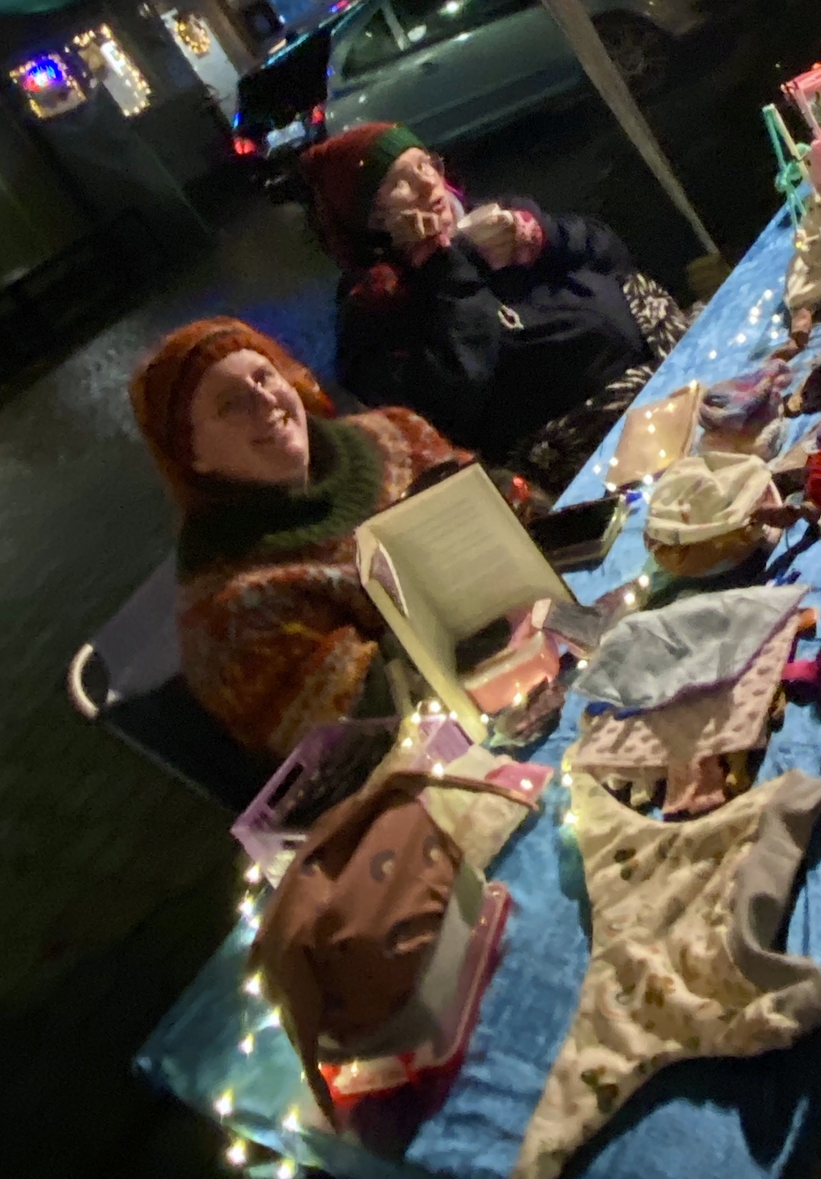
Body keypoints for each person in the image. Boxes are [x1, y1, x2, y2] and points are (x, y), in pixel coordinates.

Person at [129, 317, 468, 756]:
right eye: (231, 404)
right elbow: (359, 731)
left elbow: (513, 508)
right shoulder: (229, 616)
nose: (264, 400)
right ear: (193, 455)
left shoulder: (397, 432)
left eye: (264, 376)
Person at [303, 122, 690, 491]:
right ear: (372, 221)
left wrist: (543, 236)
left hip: (663, 362)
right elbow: (451, 401)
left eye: (424, 164)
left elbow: (613, 255)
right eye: (399, 182)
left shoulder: (491, 219)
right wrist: (447, 265)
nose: (426, 182)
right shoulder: (379, 308)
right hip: (594, 442)